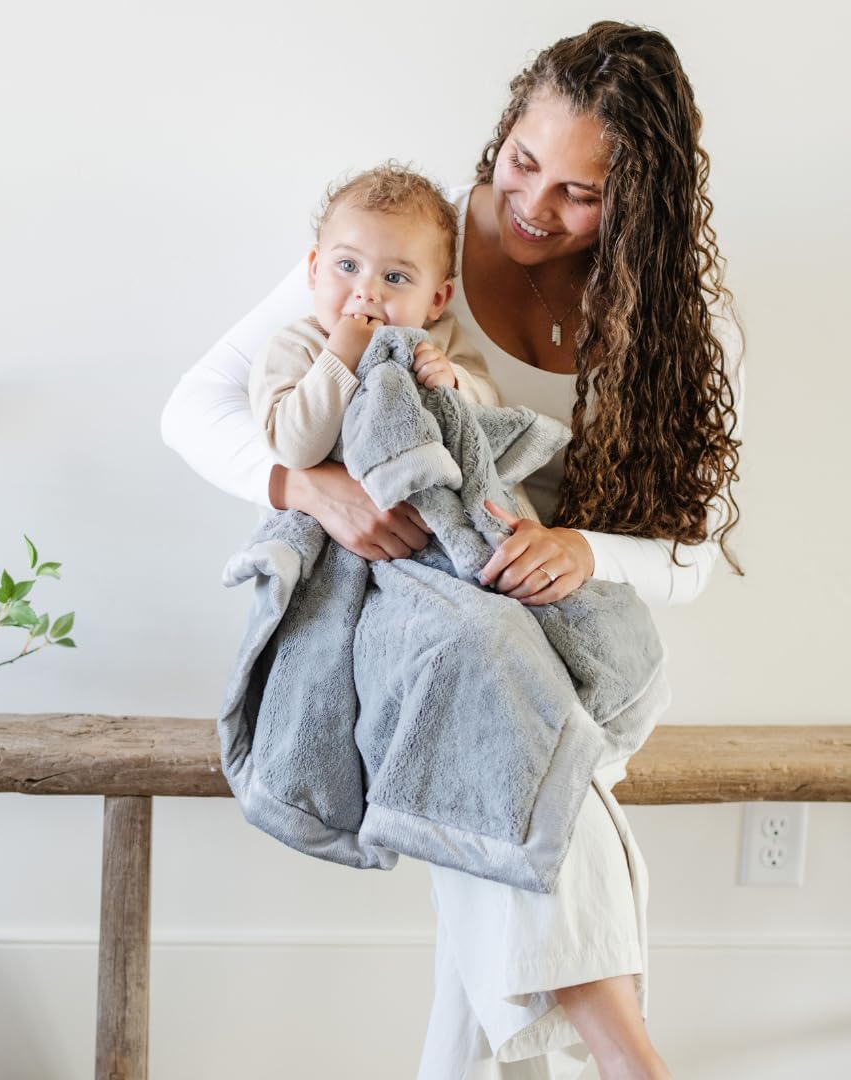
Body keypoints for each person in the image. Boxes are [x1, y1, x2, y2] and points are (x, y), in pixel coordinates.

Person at [161, 20, 743, 1080]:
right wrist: (318, 491)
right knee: (493, 703)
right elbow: (193, 409)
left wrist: (584, 549)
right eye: (523, 161)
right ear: (505, 127)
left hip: (566, 643)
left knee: (508, 743)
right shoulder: (402, 244)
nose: (534, 205)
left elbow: (691, 558)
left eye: (581, 194)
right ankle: (630, 1061)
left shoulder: (672, 325)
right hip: (407, 620)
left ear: (640, 204)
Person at [251, 159, 543, 521]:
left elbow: (488, 408)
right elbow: (294, 450)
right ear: (314, 269)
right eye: (348, 265)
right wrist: (339, 359)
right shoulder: (296, 346)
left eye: (394, 277)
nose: (366, 291)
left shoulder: (436, 341)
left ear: (436, 299)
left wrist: (454, 382)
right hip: (339, 525)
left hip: (436, 510)